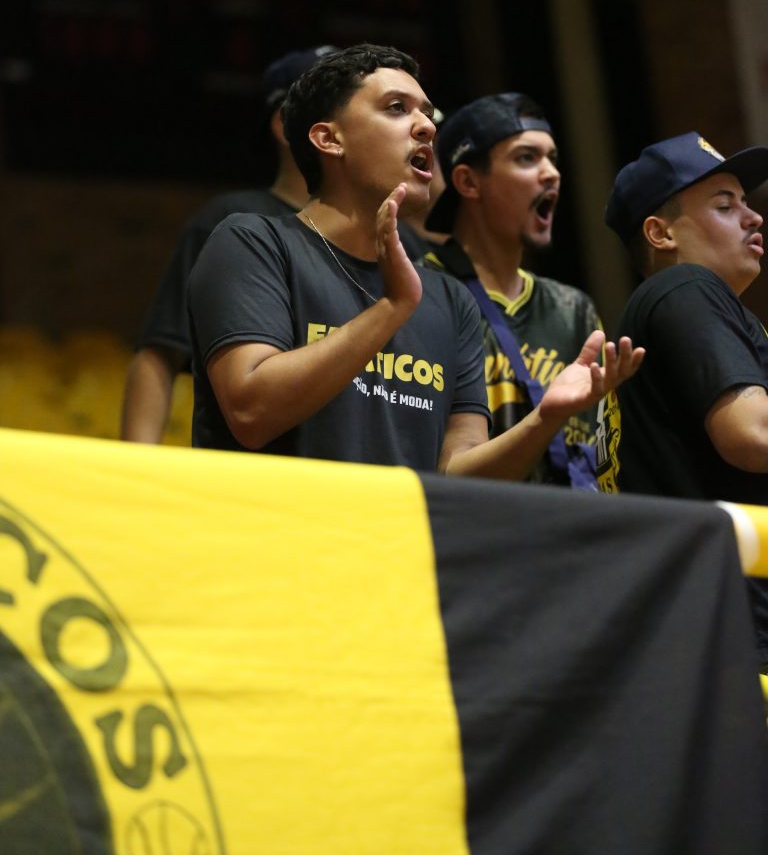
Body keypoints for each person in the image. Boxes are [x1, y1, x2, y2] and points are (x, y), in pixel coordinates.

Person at [187, 42, 643, 478]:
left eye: (426, 112)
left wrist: (545, 419)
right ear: (329, 139)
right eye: (396, 108)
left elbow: (456, 474)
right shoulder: (252, 243)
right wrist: (393, 307)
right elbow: (251, 413)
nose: (426, 126)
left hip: (405, 536)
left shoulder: (450, 299)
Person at [600, 130, 768, 668]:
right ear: (660, 232)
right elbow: (752, 434)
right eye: (725, 205)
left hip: (693, 626)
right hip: (736, 630)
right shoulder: (684, 287)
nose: (753, 217)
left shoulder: (667, 308)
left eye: (745, 203)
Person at [120, 44, 338, 443]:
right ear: (286, 124)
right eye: (342, 101)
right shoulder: (232, 222)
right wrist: (135, 471)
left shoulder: (404, 247)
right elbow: (161, 352)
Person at [419, 92, 602, 487]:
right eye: (526, 158)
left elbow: (603, 455)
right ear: (468, 181)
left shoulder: (573, 308)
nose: (551, 173)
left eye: (552, 158)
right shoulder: (418, 293)